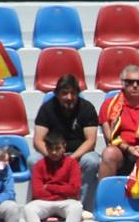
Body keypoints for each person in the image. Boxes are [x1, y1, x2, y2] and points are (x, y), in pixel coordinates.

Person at [34, 74, 102, 212]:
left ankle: (83, 208)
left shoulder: (87, 108)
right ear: (57, 94)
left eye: (73, 93)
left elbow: (91, 140)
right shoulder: (47, 109)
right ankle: (45, 205)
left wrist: (70, 160)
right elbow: (38, 140)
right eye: (64, 93)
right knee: (33, 160)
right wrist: (53, 156)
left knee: (92, 161)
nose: (69, 97)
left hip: (78, 154)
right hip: (53, 153)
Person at [23, 131, 83, 222]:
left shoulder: (72, 163)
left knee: (77, 206)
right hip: (45, 202)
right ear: (46, 148)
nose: (54, 153)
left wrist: (50, 187)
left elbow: (74, 190)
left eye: (57, 148)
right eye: (51, 149)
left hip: (66, 202)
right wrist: (63, 189)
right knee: (29, 208)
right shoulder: (39, 165)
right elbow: (37, 193)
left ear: (64, 146)